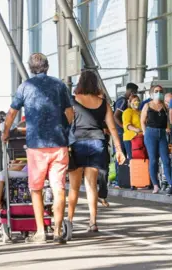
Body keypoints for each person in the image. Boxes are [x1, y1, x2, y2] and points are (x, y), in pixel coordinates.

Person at [3, 53, 74, 244]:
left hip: (36, 146)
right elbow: (70, 112)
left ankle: (41, 232)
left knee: (36, 188)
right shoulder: (59, 85)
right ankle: (58, 230)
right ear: (47, 66)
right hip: (59, 144)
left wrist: (5, 132)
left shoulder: (25, 87)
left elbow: (11, 113)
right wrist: (63, 128)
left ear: (30, 68)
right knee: (59, 187)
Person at [66, 70, 125, 239]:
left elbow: (67, 122)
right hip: (97, 143)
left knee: (75, 186)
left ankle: (69, 220)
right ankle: (92, 222)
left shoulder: (73, 100)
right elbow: (112, 128)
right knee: (91, 185)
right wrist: (119, 150)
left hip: (77, 144)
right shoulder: (103, 102)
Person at [140, 85, 172, 194]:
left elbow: (167, 119)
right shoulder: (147, 105)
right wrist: (145, 133)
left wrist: (168, 127)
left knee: (166, 159)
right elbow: (142, 121)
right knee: (153, 160)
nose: (159, 93)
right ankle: (155, 185)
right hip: (151, 133)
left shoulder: (164, 106)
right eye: (156, 91)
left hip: (162, 133)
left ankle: (171, 183)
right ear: (151, 94)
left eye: (160, 91)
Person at [113, 83, 139, 187]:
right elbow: (116, 116)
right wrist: (124, 128)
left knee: (121, 155)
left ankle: (120, 180)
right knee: (122, 155)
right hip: (121, 132)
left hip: (119, 132)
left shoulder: (120, 100)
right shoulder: (123, 101)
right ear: (131, 92)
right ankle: (119, 180)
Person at [122, 95, 142, 159]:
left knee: (141, 157)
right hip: (130, 138)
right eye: (135, 101)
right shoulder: (127, 111)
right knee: (133, 158)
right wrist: (136, 129)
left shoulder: (140, 112)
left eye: (138, 101)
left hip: (140, 137)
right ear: (130, 102)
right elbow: (127, 125)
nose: (137, 102)